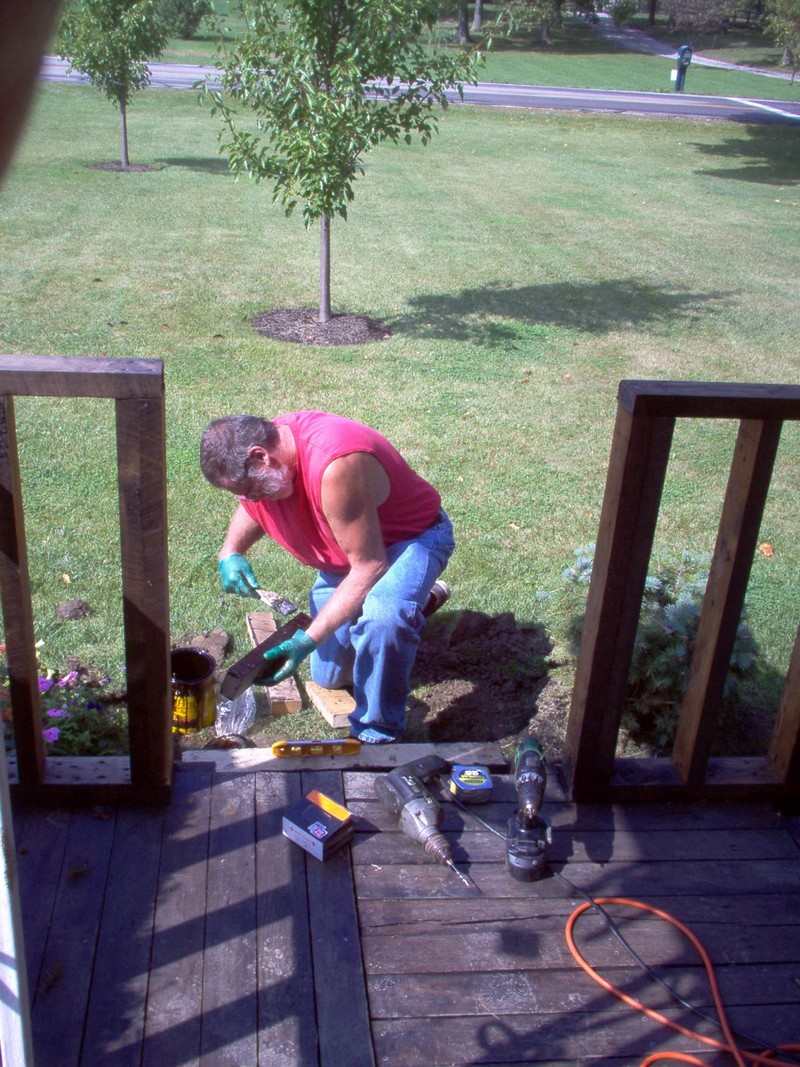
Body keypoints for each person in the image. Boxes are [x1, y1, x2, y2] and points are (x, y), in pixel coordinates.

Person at [200, 412, 454, 743]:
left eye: (249, 490)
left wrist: (307, 639)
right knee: (331, 677)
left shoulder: (334, 465)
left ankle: (377, 733)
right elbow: (252, 509)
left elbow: (369, 565)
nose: (249, 500)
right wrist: (230, 551)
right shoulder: (269, 452)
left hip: (407, 540)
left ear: (260, 457)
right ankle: (417, 599)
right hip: (348, 557)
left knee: (382, 618)